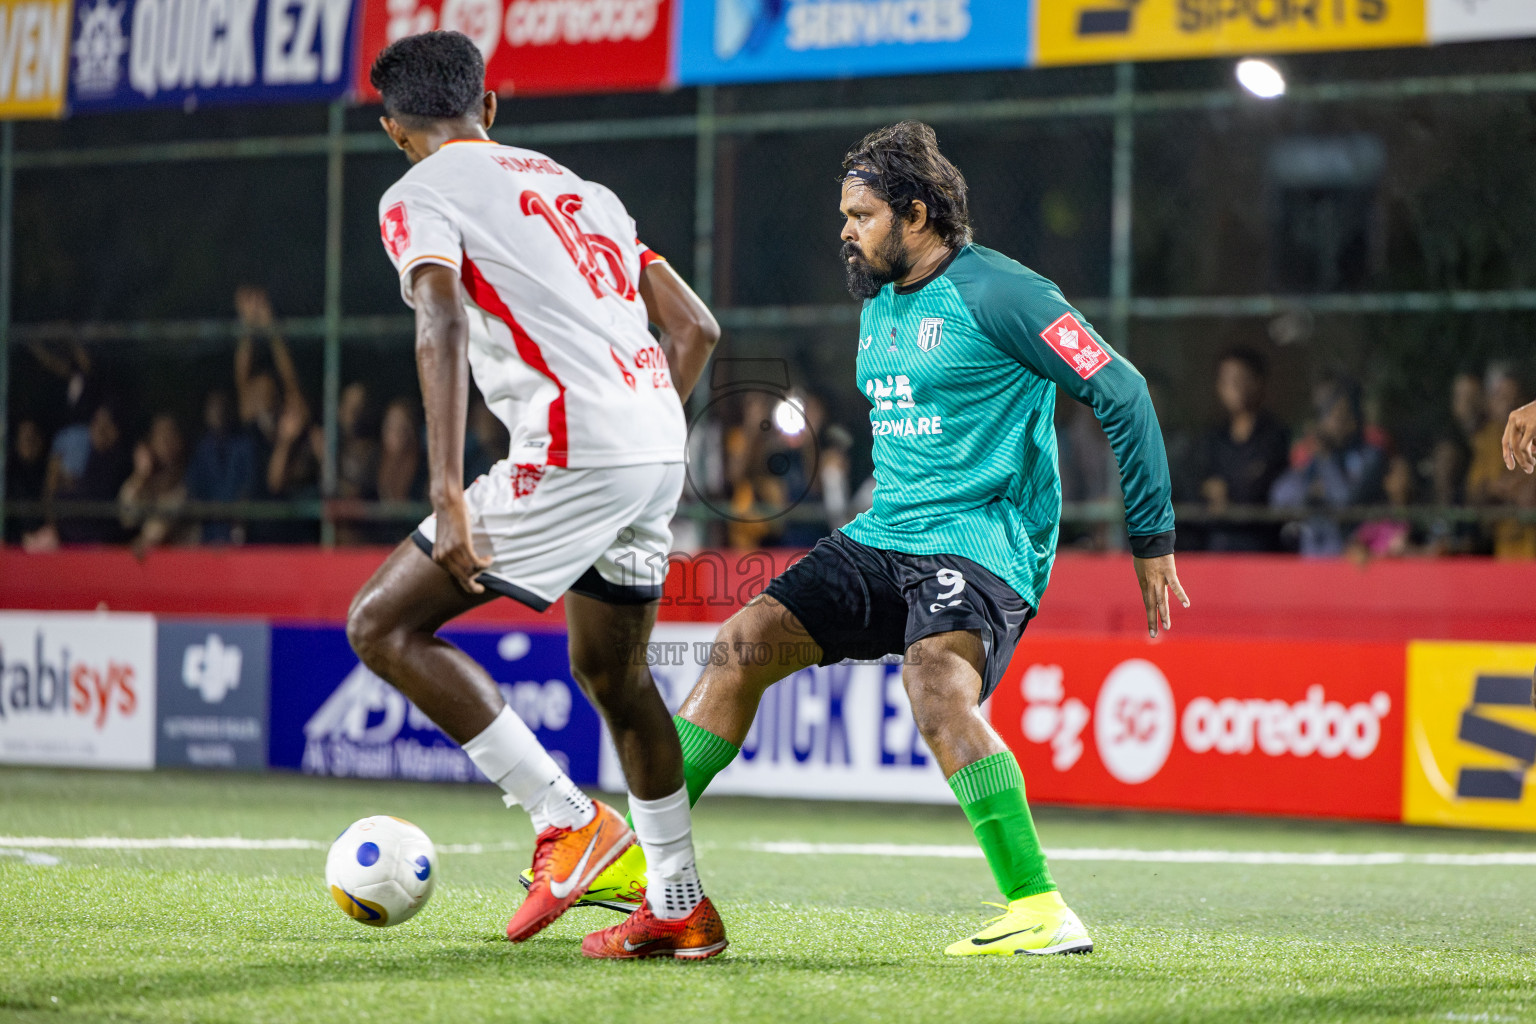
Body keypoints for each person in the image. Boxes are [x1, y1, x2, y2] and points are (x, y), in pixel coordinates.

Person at [583, 121, 1188, 957]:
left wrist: (1150, 538)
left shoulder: (1002, 294)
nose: (844, 229)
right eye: (844, 213)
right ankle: (634, 858)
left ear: (918, 213)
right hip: (885, 534)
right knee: (743, 642)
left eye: (860, 214)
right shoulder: (880, 301)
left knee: (935, 681)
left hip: (982, 540)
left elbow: (1123, 391)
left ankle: (1040, 907)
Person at [344, 31, 722, 960]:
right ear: (492, 106)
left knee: (381, 625)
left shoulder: (417, 192)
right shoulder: (586, 193)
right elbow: (697, 329)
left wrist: (448, 489)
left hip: (575, 446)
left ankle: (566, 820)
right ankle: (679, 904)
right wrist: (637, 438)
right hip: (656, 445)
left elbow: (438, 312)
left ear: (394, 130)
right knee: (616, 676)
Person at [1270, 378, 1385, 556]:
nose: (1337, 421)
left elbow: (1345, 503)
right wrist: (1309, 489)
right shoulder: (1312, 455)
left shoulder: (1371, 456)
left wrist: (1326, 460)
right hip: (1313, 560)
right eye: (1330, 414)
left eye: (1345, 413)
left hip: (1354, 560)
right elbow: (1279, 497)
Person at [1191, 347, 1290, 552]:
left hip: (1261, 543)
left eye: (1241, 378)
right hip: (1217, 541)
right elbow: (1195, 482)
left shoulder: (1275, 436)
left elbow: (1262, 489)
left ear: (1259, 382)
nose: (1234, 387)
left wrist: (1228, 492)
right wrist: (1208, 489)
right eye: (1227, 380)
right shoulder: (1212, 438)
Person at [1466, 363, 1536, 558]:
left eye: (1514, 400)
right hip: (1502, 553)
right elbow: (1475, 494)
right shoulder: (1487, 440)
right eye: (1501, 398)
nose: (1508, 406)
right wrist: (1494, 489)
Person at [186, 390, 258, 544]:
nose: (218, 412)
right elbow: (194, 488)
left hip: (238, 530)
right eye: (213, 407)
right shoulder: (201, 449)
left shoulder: (244, 445)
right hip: (208, 531)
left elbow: (249, 485)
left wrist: (238, 518)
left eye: (222, 407)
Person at [5, 418, 48, 544]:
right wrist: (22, 537)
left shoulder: (48, 471)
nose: (29, 442)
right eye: (25, 437)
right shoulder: (7, 476)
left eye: (33, 437)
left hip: (45, 541)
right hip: (13, 543)